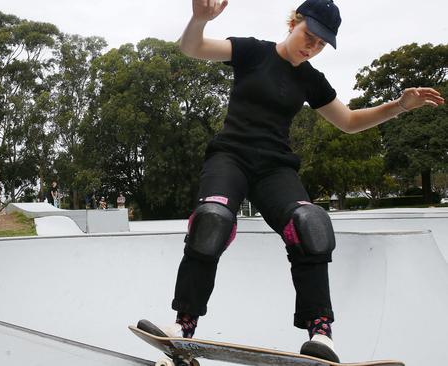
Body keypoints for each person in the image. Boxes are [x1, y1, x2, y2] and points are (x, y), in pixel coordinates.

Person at [142, 0, 444, 363]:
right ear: (294, 22)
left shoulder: (310, 79)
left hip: (275, 169)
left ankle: (321, 332)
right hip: (230, 158)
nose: (311, 47)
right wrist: (198, 19)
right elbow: (193, 48)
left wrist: (399, 105)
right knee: (212, 219)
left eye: (320, 44)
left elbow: (347, 121)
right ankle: (184, 325)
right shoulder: (253, 51)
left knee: (310, 225)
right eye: (308, 36)